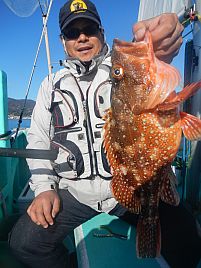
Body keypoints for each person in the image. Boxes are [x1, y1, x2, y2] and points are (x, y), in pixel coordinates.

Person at [8, 0, 201, 267]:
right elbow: (38, 137)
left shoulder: (122, 68)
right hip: (75, 192)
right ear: (64, 41)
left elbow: (149, 68)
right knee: (23, 242)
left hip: (129, 185)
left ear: (101, 32)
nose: (82, 37)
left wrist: (160, 38)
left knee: (187, 237)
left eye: (89, 28)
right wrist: (43, 189)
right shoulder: (50, 85)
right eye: (73, 32)